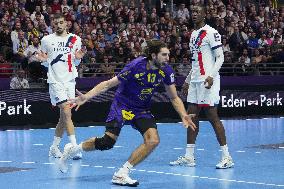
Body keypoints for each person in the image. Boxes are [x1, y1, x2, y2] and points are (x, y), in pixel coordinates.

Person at [59, 40, 196, 187]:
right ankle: (73, 150)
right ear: (153, 55)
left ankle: (122, 173)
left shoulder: (166, 71)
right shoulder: (136, 66)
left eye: (168, 55)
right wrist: (86, 97)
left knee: (153, 140)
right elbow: (108, 84)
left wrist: (183, 114)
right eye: (164, 55)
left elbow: (174, 97)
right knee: (107, 143)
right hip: (122, 106)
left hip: (141, 109)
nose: (168, 58)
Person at [170, 5, 234, 169]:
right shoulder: (193, 34)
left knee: (212, 116)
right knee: (191, 116)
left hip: (208, 81)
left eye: (198, 12)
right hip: (195, 81)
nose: (195, 14)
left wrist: (211, 76)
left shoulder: (211, 32)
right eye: (193, 12)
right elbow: (195, 62)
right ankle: (189, 157)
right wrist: (187, 80)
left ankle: (227, 157)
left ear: (204, 15)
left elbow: (220, 58)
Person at [35, 13, 85, 160]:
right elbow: (45, 60)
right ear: (52, 24)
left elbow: (75, 62)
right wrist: (42, 61)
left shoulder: (76, 39)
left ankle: (54, 147)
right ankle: (75, 148)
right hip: (55, 81)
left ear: (66, 23)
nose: (59, 25)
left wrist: (78, 59)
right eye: (56, 23)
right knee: (66, 112)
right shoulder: (46, 40)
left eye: (61, 22)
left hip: (70, 80)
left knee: (64, 118)